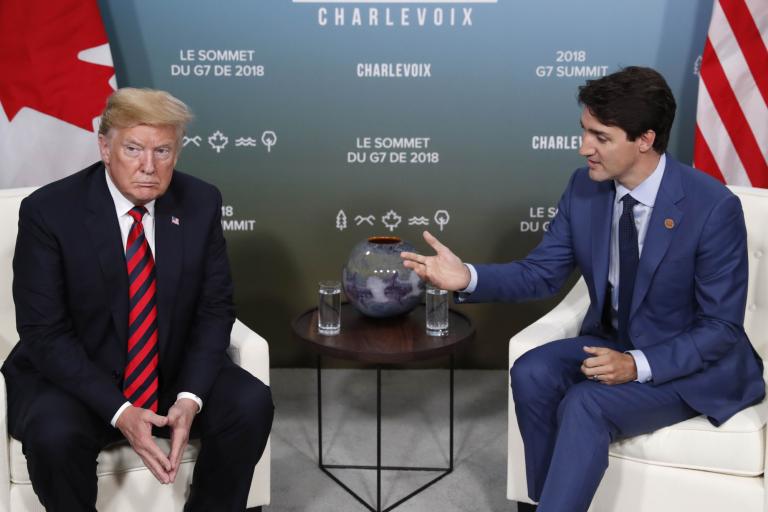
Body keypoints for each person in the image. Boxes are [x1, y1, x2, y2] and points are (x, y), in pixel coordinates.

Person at [401, 66, 764, 512]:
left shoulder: (712, 208)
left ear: (645, 140)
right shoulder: (584, 189)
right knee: (532, 372)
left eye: (601, 137)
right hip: (611, 341)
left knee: (586, 403)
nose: (583, 148)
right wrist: (468, 278)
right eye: (584, 131)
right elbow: (542, 273)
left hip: (688, 366)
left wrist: (636, 365)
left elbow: (720, 329)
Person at [3, 88, 274, 512]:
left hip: (167, 371)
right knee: (54, 435)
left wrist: (190, 398)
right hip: (77, 377)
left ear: (177, 153)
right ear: (104, 147)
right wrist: (120, 410)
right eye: (133, 148)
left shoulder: (201, 202)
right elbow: (44, 332)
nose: (149, 166)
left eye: (162, 150)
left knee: (250, 403)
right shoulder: (49, 211)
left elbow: (214, 309)